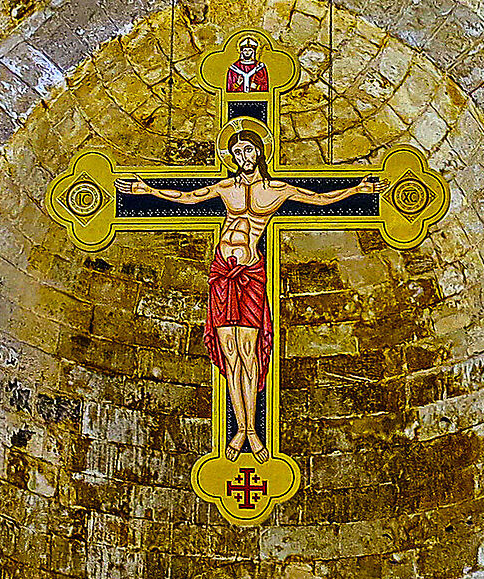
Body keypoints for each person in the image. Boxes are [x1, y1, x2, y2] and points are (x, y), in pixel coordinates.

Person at [123, 132, 374, 457]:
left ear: (259, 152)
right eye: (237, 151)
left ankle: (251, 430)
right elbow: (188, 197)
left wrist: (357, 189)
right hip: (222, 274)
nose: (243, 156)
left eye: (248, 149)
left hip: (251, 274)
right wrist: (149, 190)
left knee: (249, 352)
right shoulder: (226, 187)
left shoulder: (276, 190)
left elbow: (319, 198)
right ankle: (240, 430)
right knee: (230, 355)